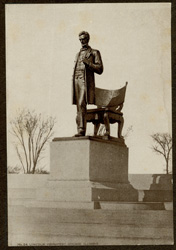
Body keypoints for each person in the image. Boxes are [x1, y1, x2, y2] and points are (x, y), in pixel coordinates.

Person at [72, 31, 103, 136]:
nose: (82, 41)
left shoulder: (94, 52)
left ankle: (81, 129)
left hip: (86, 81)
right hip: (76, 80)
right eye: (80, 39)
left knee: (82, 103)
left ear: (88, 39)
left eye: (83, 39)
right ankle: (79, 129)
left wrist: (89, 63)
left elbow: (100, 69)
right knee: (78, 106)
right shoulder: (77, 54)